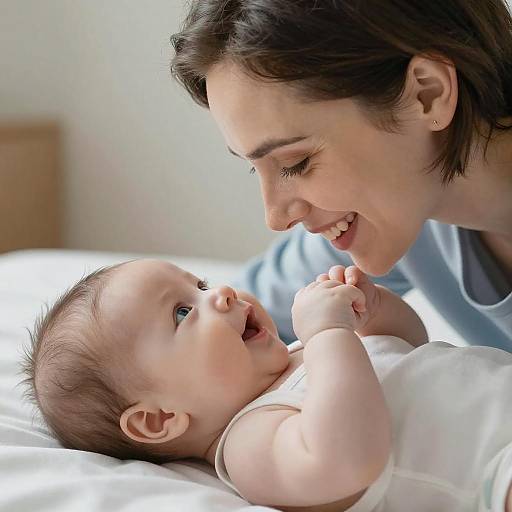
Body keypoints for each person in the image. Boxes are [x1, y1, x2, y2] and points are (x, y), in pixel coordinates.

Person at [21, 258, 512, 511]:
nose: (222, 293)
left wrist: (375, 312)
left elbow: (409, 350)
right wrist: (329, 333)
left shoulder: (299, 356)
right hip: (492, 471)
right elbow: (346, 458)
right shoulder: (250, 442)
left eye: (203, 284)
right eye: (182, 312)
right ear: (158, 418)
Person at [170, 0, 512, 350]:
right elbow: (206, 345)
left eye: (296, 162)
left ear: (428, 93)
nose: (275, 217)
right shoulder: (398, 206)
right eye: (253, 165)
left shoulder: (395, 201)